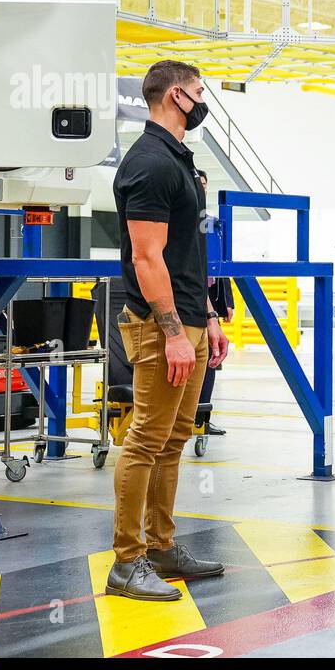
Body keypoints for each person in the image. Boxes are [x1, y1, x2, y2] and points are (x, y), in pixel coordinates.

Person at [107, 60, 230, 601]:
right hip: (162, 328)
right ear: (176, 96)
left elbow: (184, 253)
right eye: (199, 93)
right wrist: (175, 332)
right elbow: (146, 256)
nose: (204, 102)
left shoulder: (179, 159)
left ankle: (160, 545)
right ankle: (127, 562)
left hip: (189, 320)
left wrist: (207, 316)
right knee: (144, 441)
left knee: (175, 438)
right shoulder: (151, 163)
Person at [194, 169, 234, 438]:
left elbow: (222, 266)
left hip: (208, 304)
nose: (203, 189)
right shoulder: (180, 220)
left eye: (205, 185)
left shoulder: (211, 223)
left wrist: (226, 303)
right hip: (187, 301)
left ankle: (203, 418)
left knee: (210, 363)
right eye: (199, 184)